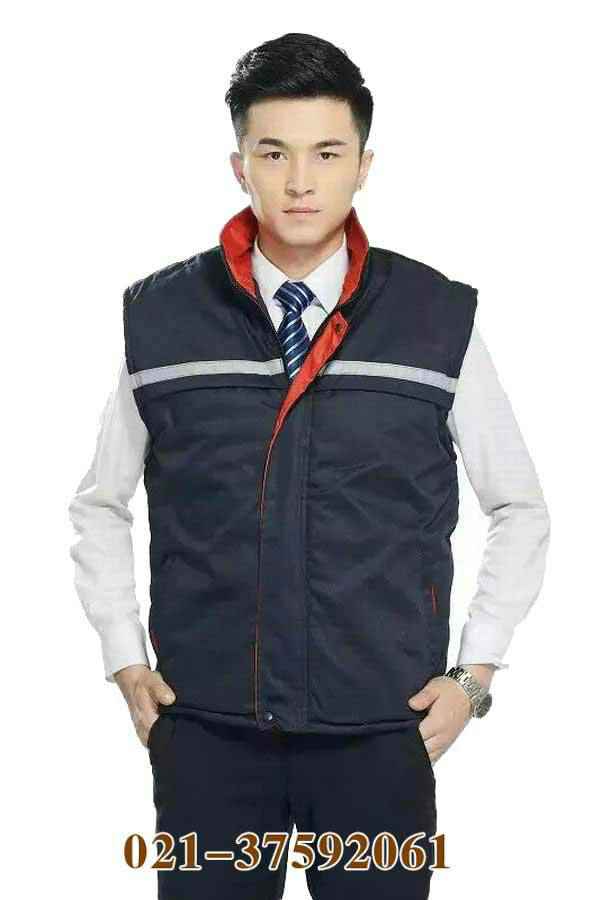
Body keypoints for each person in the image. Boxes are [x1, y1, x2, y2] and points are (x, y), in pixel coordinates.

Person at [68, 31, 550, 900]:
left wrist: (474, 675)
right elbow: (101, 502)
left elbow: (518, 505)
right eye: (273, 153)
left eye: (326, 153)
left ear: (364, 165)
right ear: (239, 165)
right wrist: (123, 654)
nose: (299, 181)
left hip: (382, 732)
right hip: (207, 734)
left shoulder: (434, 319)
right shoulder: (163, 319)